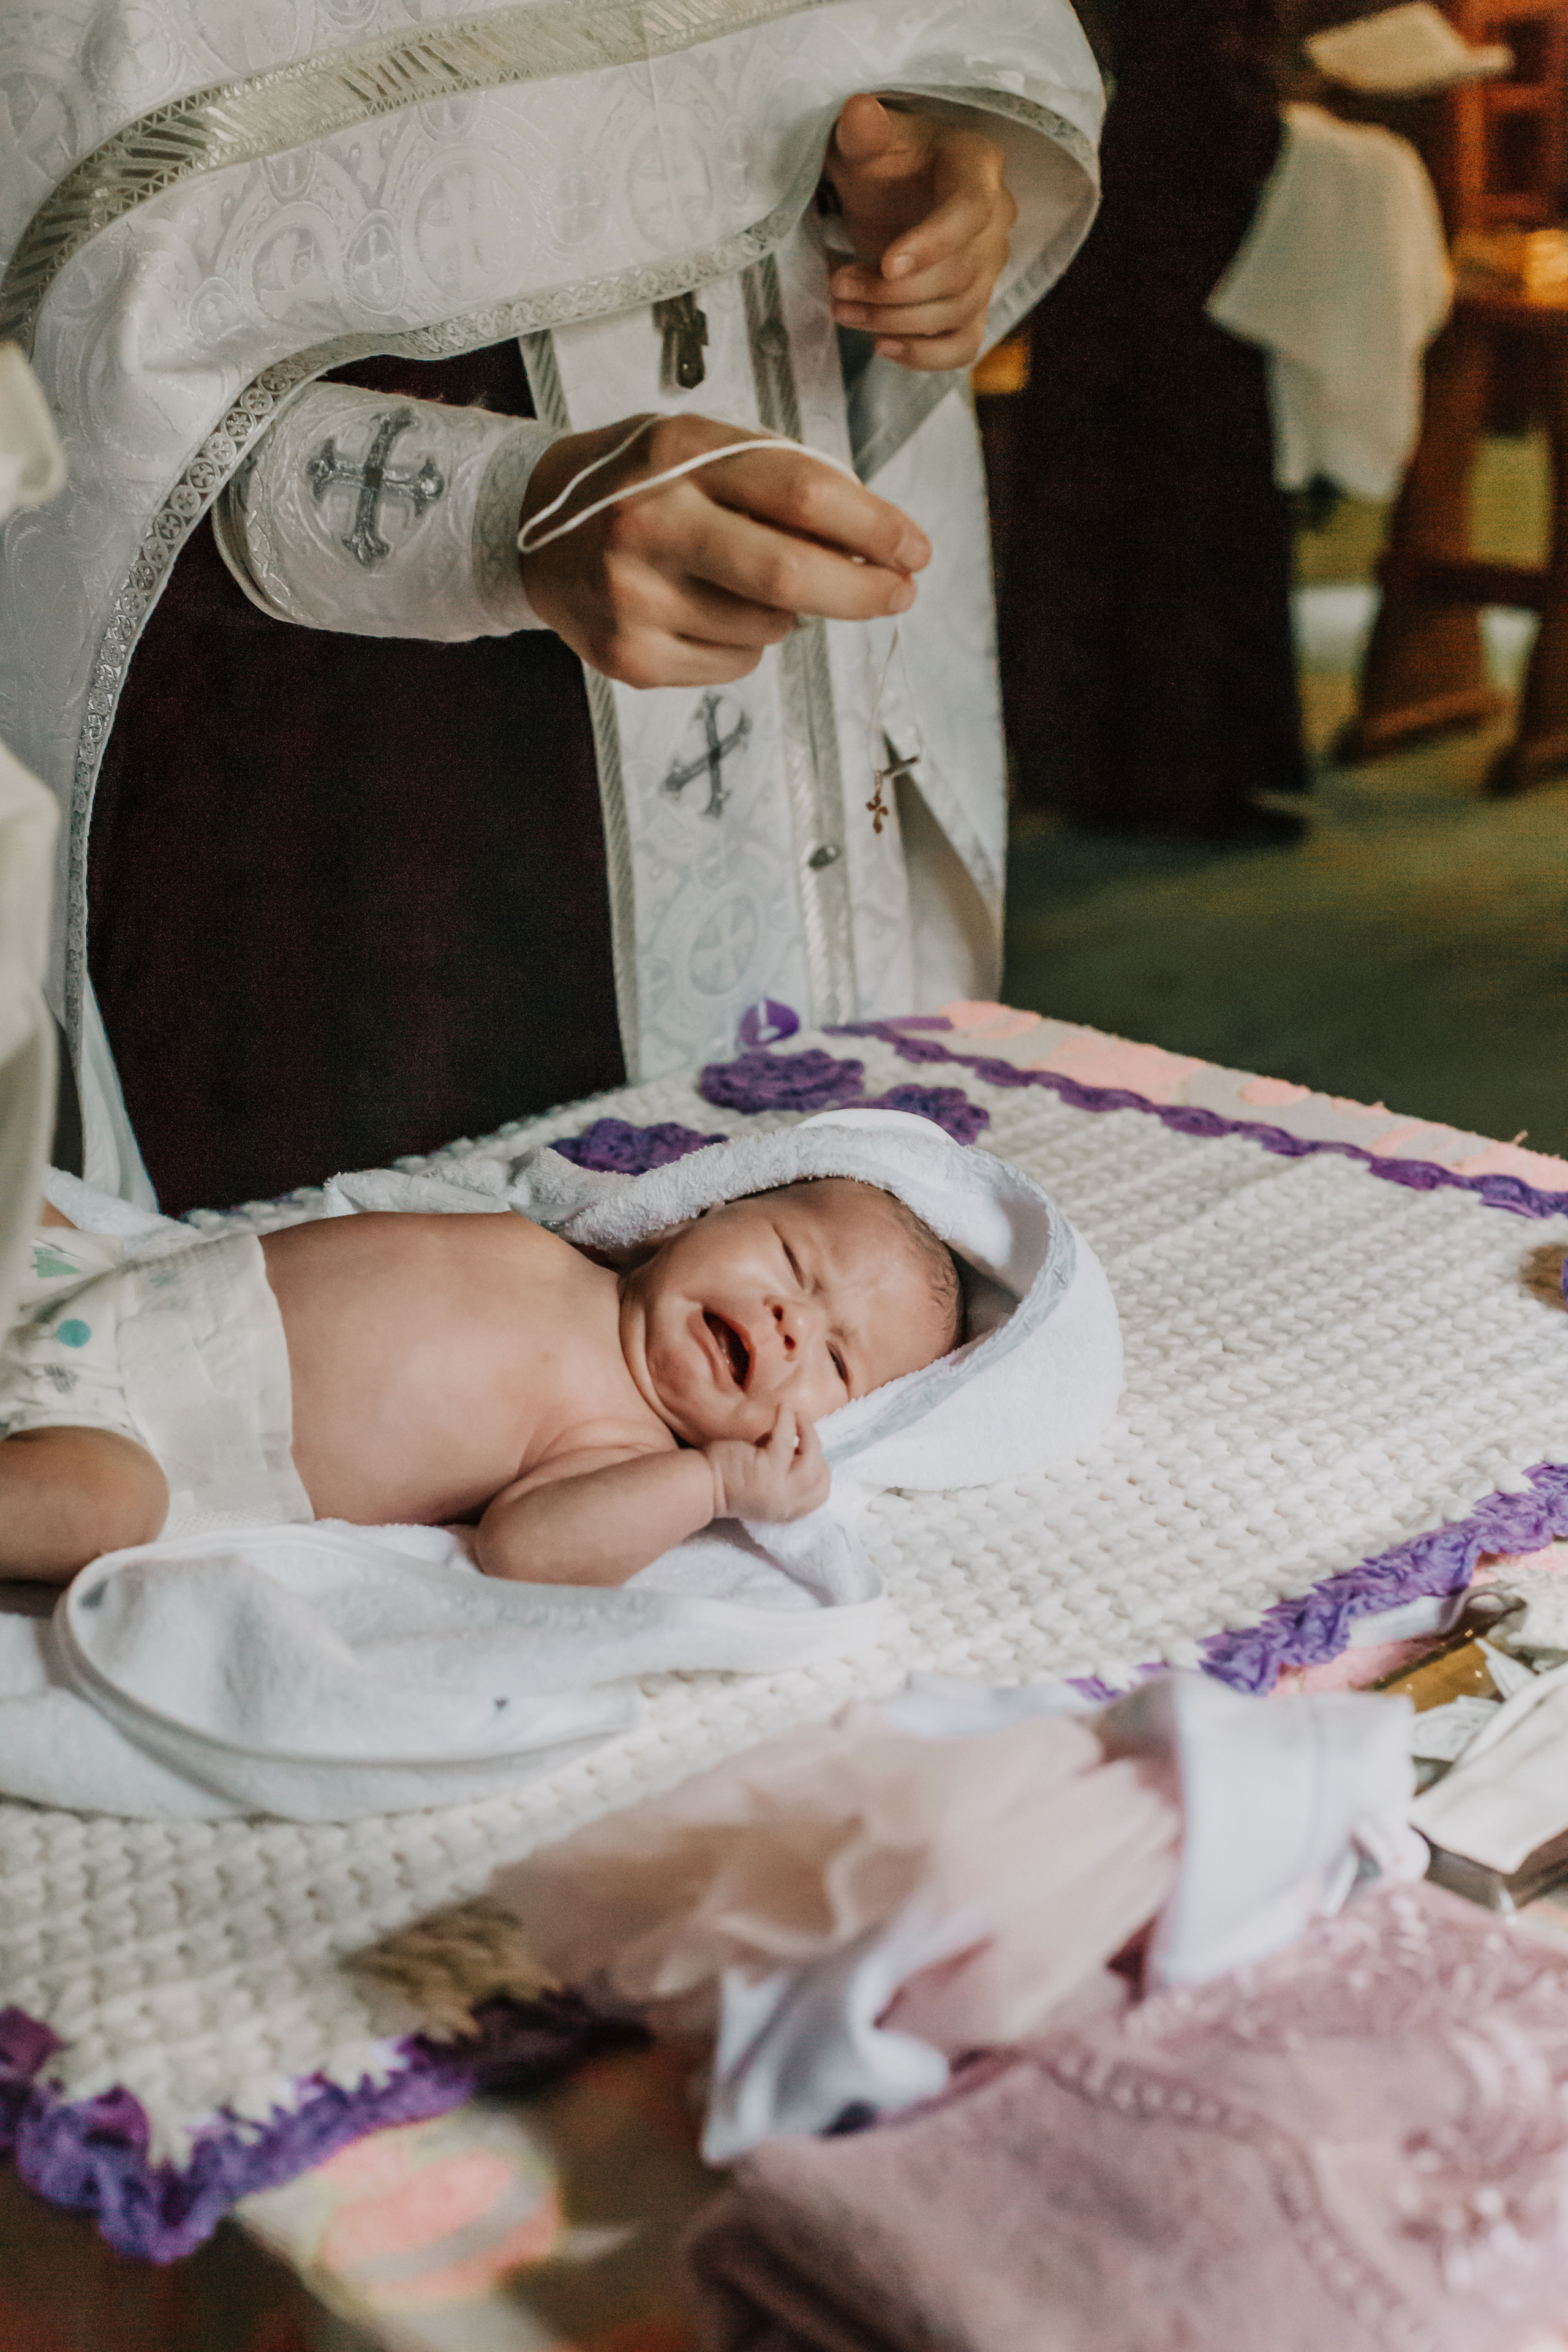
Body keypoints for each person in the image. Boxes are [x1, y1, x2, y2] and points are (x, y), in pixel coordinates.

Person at [0, 5, 1105, 1214]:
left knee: (820, 1284)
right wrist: (475, 513)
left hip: (790, 664)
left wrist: (938, 156)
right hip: (349, 796)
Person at [0, 1177, 960, 1585]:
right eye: (792, 1257)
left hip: (123, 1434)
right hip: (88, 1277)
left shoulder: (615, 1443)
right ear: (694, 1215)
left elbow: (530, 1551)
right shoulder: (539, 1236)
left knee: (98, 1516)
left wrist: (713, 1483)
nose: (795, 1321)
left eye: (838, 1359)